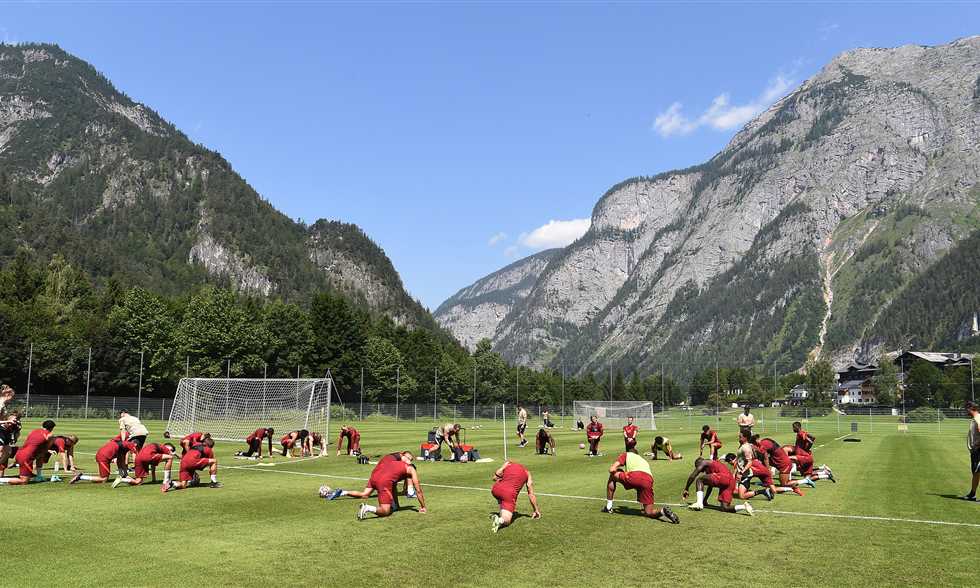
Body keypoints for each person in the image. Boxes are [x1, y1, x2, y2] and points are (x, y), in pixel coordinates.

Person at [323, 451, 427, 519]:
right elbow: (418, 490)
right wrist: (423, 506)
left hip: (375, 475)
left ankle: (343, 492)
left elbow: (393, 485)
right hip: (383, 481)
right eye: (409, 459)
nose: (409, 461)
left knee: (365, 494)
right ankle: (367, 508)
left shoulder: (392, 460)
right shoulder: (410, 468)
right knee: (385, 511)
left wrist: (396, 505)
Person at [602, 451, 679, 523]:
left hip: (635, 476)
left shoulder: (626, 454)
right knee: (649, 512)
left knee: (612, 476)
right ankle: (663, 511)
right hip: (648, 480)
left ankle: (608, 507)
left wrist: (619, 472)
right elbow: (641, 481)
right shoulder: (643, 461)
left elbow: (611, 469)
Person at [682, 457, 754, 515]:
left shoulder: (704, 462)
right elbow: (710, 486)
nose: (701, 471)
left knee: (699, 479)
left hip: (724, 477)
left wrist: (686, 488)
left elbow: (693, 476)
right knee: (725, 507)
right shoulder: (711, 468)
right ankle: (744, 506)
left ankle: (699, 503)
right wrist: (705, 500)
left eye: (697, 467)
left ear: (699, 463)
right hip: (731, 482)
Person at [736, 430, 799, 497]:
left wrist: (768, 469)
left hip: (783, 464)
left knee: (784, 484)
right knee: (774, 490)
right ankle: (790, 489)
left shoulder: (761, 446)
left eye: (740, 437)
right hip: (775, 464)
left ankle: (804, 481)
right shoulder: (763, 443)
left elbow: (765, 458)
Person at [490, 460, 541, 532]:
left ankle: (502, 511)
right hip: (508, 494)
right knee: (507, 521)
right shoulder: (527, 473)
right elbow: (530, 493)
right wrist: (536, 510)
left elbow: (494, 478)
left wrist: (503, 467)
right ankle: (500, 520)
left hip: (495, 490)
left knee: (502, 499)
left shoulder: (508, 466)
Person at [0, 420, 55, 485]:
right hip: (26, 457)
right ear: (52, 428)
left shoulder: (34, 431)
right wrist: (47, 451)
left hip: (20, 453)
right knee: (24, 481)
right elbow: (45, 449)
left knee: (40, 457)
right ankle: (1, 480)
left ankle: (39, 476)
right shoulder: (50, 435)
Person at [70, 434, 138, 484]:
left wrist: (124, 475)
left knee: (104, 478)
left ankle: (81, 477)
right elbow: (136, 457)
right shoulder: (130, 444)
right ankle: (81, 477)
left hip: (103, 456)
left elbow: (120, 462)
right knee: (104, 479)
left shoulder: (123, 446)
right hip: (103, 457)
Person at [0, 410, 22, 477]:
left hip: (6, 437)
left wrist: (15, 437)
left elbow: (17, 433)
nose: (14, 421)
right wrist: (7, 421)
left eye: (17, 419)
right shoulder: (3, 424)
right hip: (1, 434)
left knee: (8, 451)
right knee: (1, 449)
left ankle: (1, 476)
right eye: (14, 419)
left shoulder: (15, 426)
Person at [966, 401, 980, 501]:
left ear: (971, 408)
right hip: (975, 451)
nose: (966, 411)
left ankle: (972, 494)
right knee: (976, 472)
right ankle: (972, 494)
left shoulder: (978, 419)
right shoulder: (975, 419)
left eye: (966, 409)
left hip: (978, 451)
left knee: (977, 471)